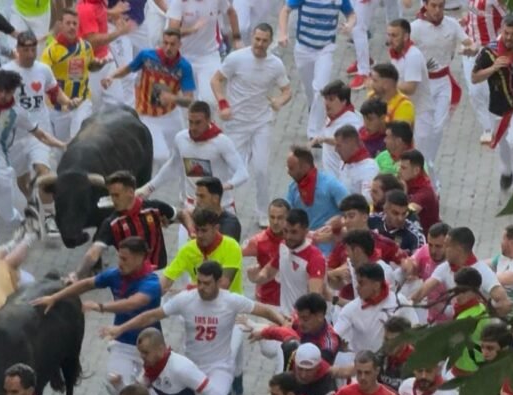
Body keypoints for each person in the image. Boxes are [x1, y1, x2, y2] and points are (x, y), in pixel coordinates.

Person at [101, 260, 287, 395]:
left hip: (219, 367)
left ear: (219, 282)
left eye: (207, 283)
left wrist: (284, 324)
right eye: (199, 282)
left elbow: (264, 310)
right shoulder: (186, 299)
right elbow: (151, 316)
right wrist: (121, 328)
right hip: (191, 365)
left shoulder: (231, 300)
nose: (201, 288)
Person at [32, 236, 162, 392]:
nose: (119, 263)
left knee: (154, 393)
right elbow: (87, 284)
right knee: (115, 385)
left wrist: (100, 306)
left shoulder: (151, 283)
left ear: (139, 258)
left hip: (151, 345)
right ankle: (132, 392)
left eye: (124, 259)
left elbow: (132, 303)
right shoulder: (115, 275)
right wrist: (54, 297)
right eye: (119, 257)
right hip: (123, 342)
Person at [0, 68, 65, 251]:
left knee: (8, 215)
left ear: (14, 91)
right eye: (0, 90)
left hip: (2, 168)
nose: (3, 95)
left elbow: (40, 134)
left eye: (8, 91)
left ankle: (26, 224)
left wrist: (62, 144)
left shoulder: (18, 113)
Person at [211, 22, 292, 227]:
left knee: (261, 170)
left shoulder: (275, 64)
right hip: (236, 124)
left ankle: (264, 213)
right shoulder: (236, 58)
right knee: (232, 170)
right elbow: (216, 80)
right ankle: (224, 208)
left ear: (270, 42)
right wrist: (223, 104)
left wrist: (279, 102)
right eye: (257, 39)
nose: (260, 44)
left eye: (264, 41)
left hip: (261, 123)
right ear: (252, 38)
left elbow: (287, 91)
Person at [138, 100, 248, 243]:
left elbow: (242, 173)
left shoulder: (222, 142)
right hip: (192, 209)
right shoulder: (181, 138)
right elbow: (173, 165)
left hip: (221, 210)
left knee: (221, 253)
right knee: (184, 251)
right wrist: (149, 187)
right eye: (190, 122)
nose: (193, 127)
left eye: (198, 123)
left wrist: (222, 187)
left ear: (209, 120)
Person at [4, 31, 79, 238]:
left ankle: (49, 217)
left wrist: (68, 102)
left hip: (41, 132)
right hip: (15, 136)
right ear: (18, 50)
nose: (30, 54)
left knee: (43, 172)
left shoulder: (43, 70)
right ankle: (31, 201)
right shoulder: (7, 71)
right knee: (23, 179)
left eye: (33, 49)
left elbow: (54, 92)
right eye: (25, 50)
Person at [100, 28, 196, 165]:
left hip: (171, 115)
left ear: (179, 45)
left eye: (172, 44)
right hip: (147, 115)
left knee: (184, 154)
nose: (168, 48)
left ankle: (183, 178)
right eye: (165, 43)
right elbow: (128, 69)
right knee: (160, 156)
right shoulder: (147, 56)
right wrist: (111, 76)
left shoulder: (184, 66)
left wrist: (172, 98)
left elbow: (189, 100)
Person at [76, 170, 189, 277]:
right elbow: (93, 253)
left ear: (130, 192)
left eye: (117, 195)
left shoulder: (154, 208)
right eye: (111, 195)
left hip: (158, 274)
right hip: (131, 280)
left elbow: (181, 215)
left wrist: (191, 230)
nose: (113, 200)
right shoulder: (111, 223)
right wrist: (77, 275)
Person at [277, 0, 356, 140]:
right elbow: (286, 10)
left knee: (320, 89)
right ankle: (312, 107)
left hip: (325, 49)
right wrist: (283, 33)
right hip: (303, 49)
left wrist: (349, 25)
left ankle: (314, 133)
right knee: (310, 91)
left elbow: (351, 14)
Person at [472, 14, 513, 190]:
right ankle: (507, 171)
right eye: (506, 33)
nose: (509, 37)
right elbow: (475, 77)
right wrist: (493, 68)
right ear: (501, 30)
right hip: (498, 108)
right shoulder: (489, 52)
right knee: (504, 145)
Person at [411, 0, 475, 168]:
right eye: (433, 5)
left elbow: (469, 42)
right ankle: (419, 160)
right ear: (425, 4)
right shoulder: (415, 28)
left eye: (441, 5)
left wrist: (471, 49)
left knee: (438, 127)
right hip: (422, 84)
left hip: (443, 82)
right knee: (422, 130)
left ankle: (428, 162)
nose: (437, 10)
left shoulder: (451, 24)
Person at [412, 225, 511, 317]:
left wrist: (484, 316)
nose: (443, 249)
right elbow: (421, 293)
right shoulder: (445, 268)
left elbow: (505, 304)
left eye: (446, 246)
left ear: (458, 250)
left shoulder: (483, 272)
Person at [251, 207, 327, 317]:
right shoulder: (283, 246)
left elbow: (314, 301)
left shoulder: (315, 258)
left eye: (294, 232)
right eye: (285, 231)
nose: (288, 237)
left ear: (306, 231)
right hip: (285, 316)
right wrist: (255, 277)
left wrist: (297, 320)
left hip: (302, 321)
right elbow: (269, 272)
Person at [41, 9, 101, 141]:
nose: (72, 27)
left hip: (82, 102)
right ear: (60, 25)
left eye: (75, 23)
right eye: (68, 23)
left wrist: (98, 65)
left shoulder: (86, 47)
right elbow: (43, 77)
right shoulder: (50, 51)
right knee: (62, 146)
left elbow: (91, 67)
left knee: (78, 139)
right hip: (58, 108)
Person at [386, 19, 436, 177]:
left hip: (421, 114)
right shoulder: (396, 55)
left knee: (421, 159)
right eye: (389, 35)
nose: (390, 39)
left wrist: (386, 84)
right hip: (408, 113)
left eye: (395, 35)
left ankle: (432, 188)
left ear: (406, 36)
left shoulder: (413, 56)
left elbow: (410, 88)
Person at [165, 0, 240, 104]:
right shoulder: (179, 2)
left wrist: (237, 38)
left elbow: (231, 12)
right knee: (187, 103)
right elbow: (172, 32)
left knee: (210, 101)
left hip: (209, 55)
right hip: (184, 57)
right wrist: (192, 29)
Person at [335, 263, 418, 353]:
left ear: (376, 285)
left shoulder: (399, 301)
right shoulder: (351, 309)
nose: (357, 287)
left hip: (394, 358)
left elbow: (415, 329)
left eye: (361, 283)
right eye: (357, 282)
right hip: (364, 360)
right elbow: (334, 335)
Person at [285, 145, 349, 255]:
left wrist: (338, 222)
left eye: (292, 168)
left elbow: (351, 210)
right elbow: (286, 213)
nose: (288, 172)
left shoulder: (331, 185)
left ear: (305, 167)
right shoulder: (293, 188)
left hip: (330, 249)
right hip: (303, 246)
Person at [250, 292, 342, 368]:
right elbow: (283, 328)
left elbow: (316, 370)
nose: (300, 323)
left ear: (320, 316)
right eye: (299, 317)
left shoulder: (329, 343)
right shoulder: (298, 320)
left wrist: (267, 332)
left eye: (305, 319)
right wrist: (263, 332)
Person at [462, 0, 506, 144]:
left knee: (490, 90)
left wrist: (498, 45)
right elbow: (473, 15)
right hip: (471, 50)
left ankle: (499, 123)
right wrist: (465, 23)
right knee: (474, 92)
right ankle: (487, 128)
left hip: (490, 50)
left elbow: (508, 19)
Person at [243, 198, 289, 306]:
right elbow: (234, 251)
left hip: (292, 300)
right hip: (266, 301)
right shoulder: (258, 241)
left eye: (280, 218)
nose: (275, 222)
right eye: (272, 217)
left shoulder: (296, 238)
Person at [400, 221, 449, 323]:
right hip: (429, 317)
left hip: (450, 321)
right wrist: (409, 268)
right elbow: (411, 264)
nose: (433, 251)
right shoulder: (425, 251)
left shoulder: (455, 265)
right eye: (430, 245)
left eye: (438, 246)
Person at [312, 79, 362, 177]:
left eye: (331, 99)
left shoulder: (352, 121)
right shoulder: (333, 115)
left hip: (343, 179)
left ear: (343, 101)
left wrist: (324, 139)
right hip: (330, 176)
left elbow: (349, 142)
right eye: (325, 99)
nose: (326, 103)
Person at [368, 188, 426, 253]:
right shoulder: (370, 221)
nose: (400, 218)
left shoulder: (415, 235)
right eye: (395, 213)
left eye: (404, 214)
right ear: (385, 210)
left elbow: (420, 257)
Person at [398, 149, 440, 233]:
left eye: (403, 168)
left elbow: (405, 215)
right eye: (400, 167)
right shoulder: (406, 182)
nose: (399, 171)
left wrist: (403, 193)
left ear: (416, 170)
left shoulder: (425, 192)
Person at [334, 124, 379, 202]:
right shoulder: (343, 163)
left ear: (350, 143)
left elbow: (368, 201)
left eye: (339, 146)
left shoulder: (369, 167)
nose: (335, 150)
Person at [194, 176, 242, 241]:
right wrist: (191, 230)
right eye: (197, 196)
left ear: (215, 198)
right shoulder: (200, 213)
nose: (197, 201)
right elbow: (184, 213)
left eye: (202, 196)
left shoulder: (229, 225)